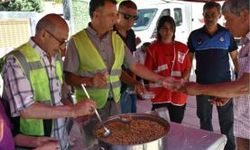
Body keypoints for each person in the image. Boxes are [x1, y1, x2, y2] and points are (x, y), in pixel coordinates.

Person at [63, 0, 169, 148]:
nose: (115, 18)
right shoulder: (77, 41)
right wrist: (89, 80)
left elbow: (134, 66)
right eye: (111, 14)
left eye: (116, 14)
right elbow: (68, 77)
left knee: (116, 142)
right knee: (93, 144)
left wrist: (161, 79)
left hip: (115, 103)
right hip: (90, 107)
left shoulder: (116, 39)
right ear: (96, 15)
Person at [1, 13, 96, 150]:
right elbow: (26, 109)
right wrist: (73, 110)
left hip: (60, 137)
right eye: (61, 41)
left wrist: (76, 114)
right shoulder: (16, 61)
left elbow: (59, 96)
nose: (63, 47)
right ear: (44, 35)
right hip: (34, 141)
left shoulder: (55, 57)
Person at [184, 0, 250, 149]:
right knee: (205, 119)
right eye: (206, 14)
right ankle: (208, 145)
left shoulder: (227, 35)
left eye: (228, 19)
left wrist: (235, 85)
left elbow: (238, 68)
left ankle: (229, 147)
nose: (227, 24)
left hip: (225, 85)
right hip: (207, 85)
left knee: (227, 121)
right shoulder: (195, 36)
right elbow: (189, 61)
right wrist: (186, 80)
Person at [144, 16, 191, 123]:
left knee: (176, 127)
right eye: (164, 28)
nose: (168, 31)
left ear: (174, 30)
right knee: (159, 127)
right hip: (159, 95)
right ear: (159, 29)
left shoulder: (182, 48)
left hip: (179, 94)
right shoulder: (152, 49)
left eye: (171, 28)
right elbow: (147, 72)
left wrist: (183, 79)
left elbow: (188, 67)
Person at [114, 0, 144, 113]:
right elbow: (114, 68)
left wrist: (134, 81)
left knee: (133, 115)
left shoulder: (131, 34)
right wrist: (133, 82)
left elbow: (133, 59)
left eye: (134, 17)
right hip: (117, 88)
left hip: (130, 85)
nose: (131, 21)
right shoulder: (111, 34)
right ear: (117, 14)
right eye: (127, 16)